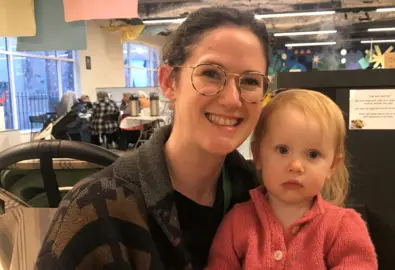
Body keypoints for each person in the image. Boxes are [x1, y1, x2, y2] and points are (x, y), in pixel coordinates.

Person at [36, 7, 270, 270]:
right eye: (211, 73)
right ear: (169, 81)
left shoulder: (263, 195)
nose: (231, 99)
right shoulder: (97, 210)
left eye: (250, 80)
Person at [206, 90, 378, 269]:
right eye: (282, 150)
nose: (296, 166)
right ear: (257, 155)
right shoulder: (237, 221)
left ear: (332, 166)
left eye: (313, 154)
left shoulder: (343, 227)